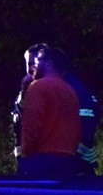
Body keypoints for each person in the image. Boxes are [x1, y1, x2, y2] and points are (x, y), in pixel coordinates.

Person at [18, 46, 81, 177]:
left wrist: (26, 156)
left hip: (41, 161)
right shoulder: (70, 91)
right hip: (68, 161)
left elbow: (31, 126)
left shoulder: (38, 87)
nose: (35, 64)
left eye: (39, 59)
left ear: (49, 62)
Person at [12, 43, 48, 171]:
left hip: (42, 155)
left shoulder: (47, 87)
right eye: (29, 63)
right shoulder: (27, 85)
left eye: (35, 63)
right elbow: (20, 112)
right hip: (24, 154)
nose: (32, 67)